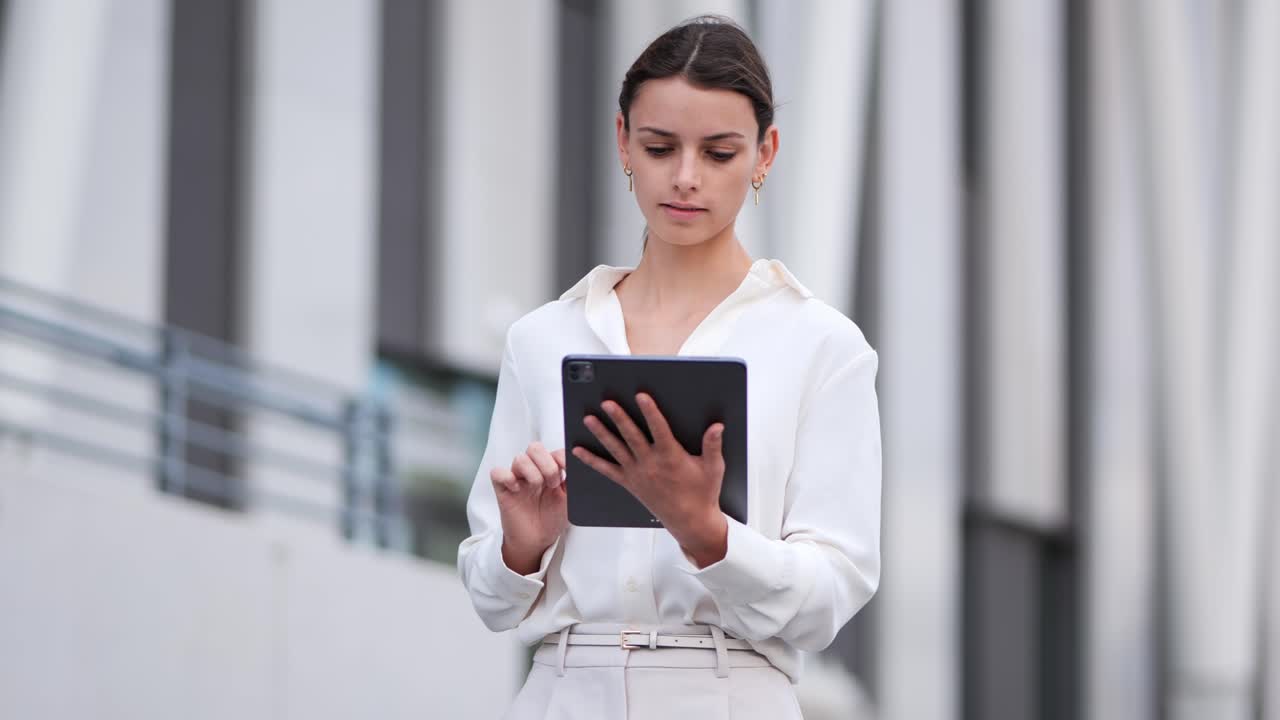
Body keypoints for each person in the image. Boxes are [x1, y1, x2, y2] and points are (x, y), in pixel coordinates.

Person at [457, 15, 881, 719]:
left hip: (728, 690)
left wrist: (707, 533)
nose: (686, 178)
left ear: (765, 153)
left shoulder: (823, 348)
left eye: (719, 153)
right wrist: (522, 548)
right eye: (660, 147)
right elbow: (488, 597)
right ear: (623, 140)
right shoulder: (543, 339)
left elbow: (830, 597)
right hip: (562, 690)